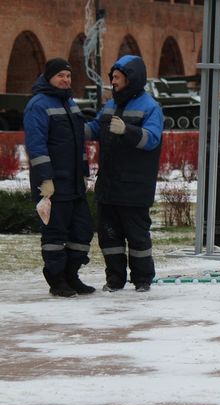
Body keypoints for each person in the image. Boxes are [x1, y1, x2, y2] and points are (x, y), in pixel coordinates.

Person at [85, 55, 163, 292]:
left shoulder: (150, 107)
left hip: (135, 186)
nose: (113, 82)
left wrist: (127, 130)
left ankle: (142, 280)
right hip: (108, 185)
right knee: (109, 237)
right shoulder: (110, 105)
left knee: (137, 237)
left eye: (117, 78)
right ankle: (114, 279)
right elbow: (96, 128)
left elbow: (152, 139)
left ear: (131, 79)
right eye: (112, 78)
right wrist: (75, 129)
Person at [24, 58, 95, 297]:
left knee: (82, 231)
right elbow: (36, 145)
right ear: (49, 77)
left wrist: (84, 174)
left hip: (74, 183)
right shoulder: (38, 105)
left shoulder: (70, 103)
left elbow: (79, 143)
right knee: (55, 234)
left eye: (68, 76)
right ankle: (57, 281)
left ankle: (71, 275)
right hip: (52, 183)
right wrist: (45, 179)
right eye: (60, 76)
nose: (65, 80)